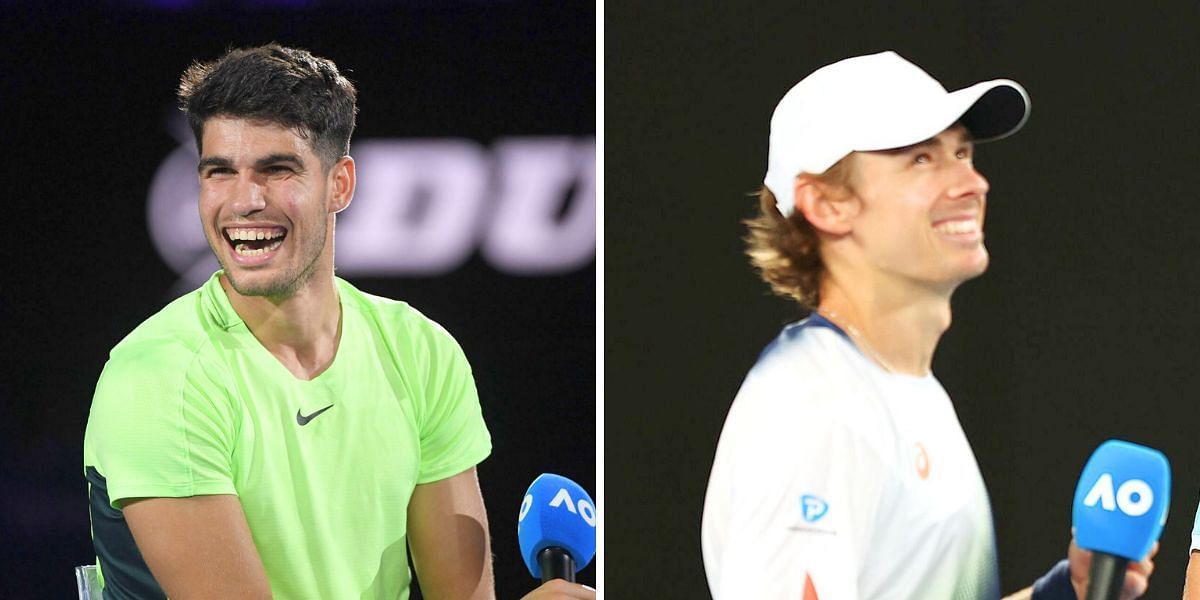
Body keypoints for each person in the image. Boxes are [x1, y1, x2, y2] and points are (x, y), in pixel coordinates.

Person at [83, 44, 594, 600]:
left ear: (340, 184)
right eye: (219, 172)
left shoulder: (421, 353)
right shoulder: (158, 378)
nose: (244, 201)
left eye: (277, 170)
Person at [700, 51, 1155, 599]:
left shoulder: (903, 391)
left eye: (962, 152)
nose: (972, 183)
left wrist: (1065, 593)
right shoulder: (814, 408)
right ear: (826, 204)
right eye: (920, 159)